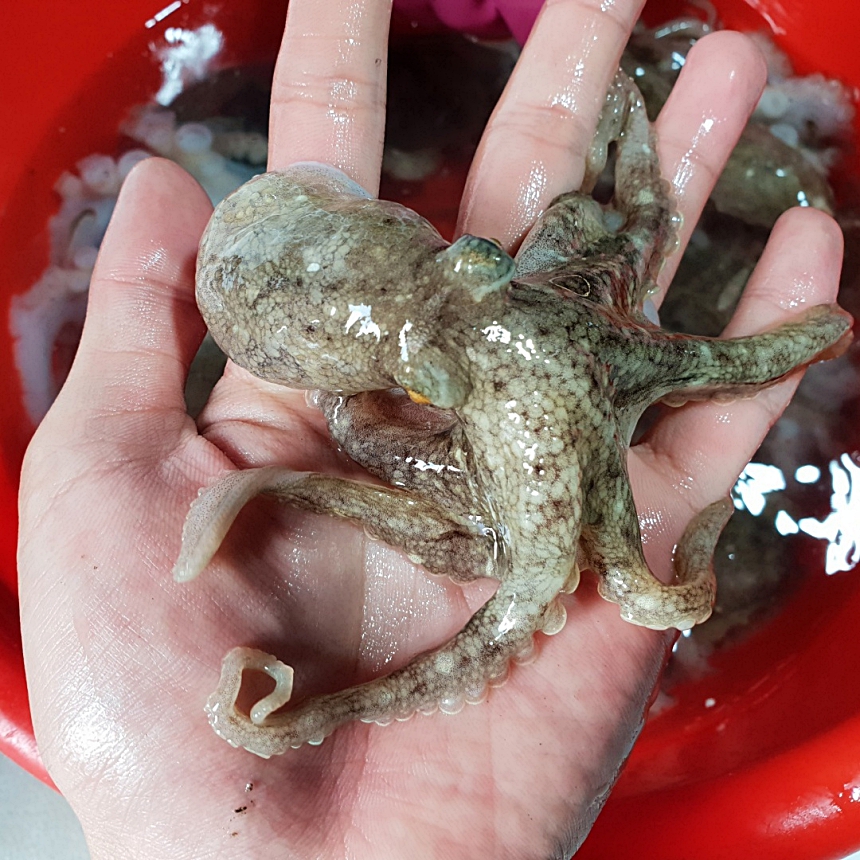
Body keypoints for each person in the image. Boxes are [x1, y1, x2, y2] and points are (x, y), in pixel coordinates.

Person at [17, 0, 845, 857]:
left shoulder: (370, 375)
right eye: (428, 376)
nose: (502, 336)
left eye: (478, 268)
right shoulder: (328, 351)